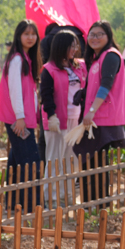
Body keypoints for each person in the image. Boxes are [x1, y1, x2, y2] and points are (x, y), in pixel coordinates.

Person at [76, 20, 125, 206]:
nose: (95, 38)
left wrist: (91, 111)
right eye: (92, 34)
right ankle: (92, 203)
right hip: (95, 118)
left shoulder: (110, 56)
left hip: (102, 118)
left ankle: (101, 206)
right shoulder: (96, 59)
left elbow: (106, 85)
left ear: (108, 37)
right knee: (92, 162)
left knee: (99, 164)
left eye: (100, 34)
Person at [0, 19, 42, 210]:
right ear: (18, 36)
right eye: (26, 34)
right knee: (30, 162)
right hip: (18, 120)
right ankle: (30, 207)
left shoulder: (26, 58)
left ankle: (14, 204)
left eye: (33, 34)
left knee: (17, 161)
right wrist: (20, 117)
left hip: (24, 118)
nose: (30, 37)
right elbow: (14, 90)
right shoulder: (17, 59)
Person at [41, 30, 85, 205]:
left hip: (76, 120)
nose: (74, 49)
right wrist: (51, 115)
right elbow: (46, 94)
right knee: (54, 160)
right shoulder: (49, 69)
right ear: (61, 47)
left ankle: (67, 197)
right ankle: (51, 199)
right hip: (58, 121)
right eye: (71, 46)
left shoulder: (79, 66)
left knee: (71, 160)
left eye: (75, 45)